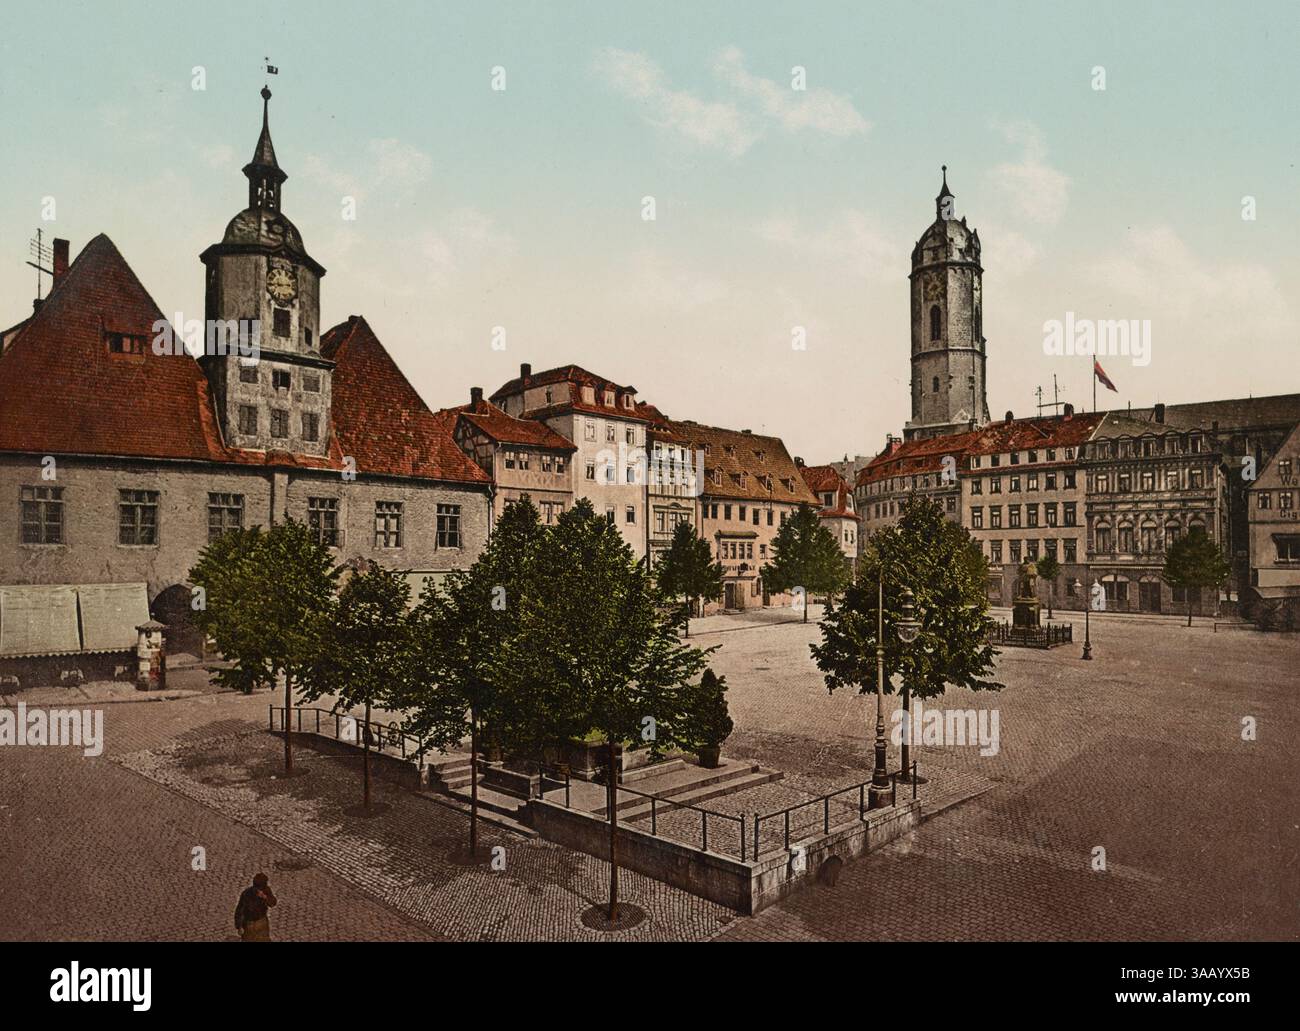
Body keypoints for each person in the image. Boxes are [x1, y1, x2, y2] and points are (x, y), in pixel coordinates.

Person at [234, 873, 277, 941]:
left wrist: (265, 897)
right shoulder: (247, 894)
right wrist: (239, 926)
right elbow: (240, 910)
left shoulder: (266, 890)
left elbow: (273, 903)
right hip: (249, 925)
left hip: (261, 922)